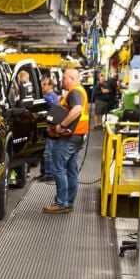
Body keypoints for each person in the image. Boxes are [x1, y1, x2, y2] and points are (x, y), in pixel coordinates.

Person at [43, 68, 90, 214]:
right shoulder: (79, 91)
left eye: (64, 78)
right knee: (71, 169)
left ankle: (61, 203)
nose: (62, 81)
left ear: (72, 78)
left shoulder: (75, 92)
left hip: (69, 136)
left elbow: (76, 110)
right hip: (77, 135)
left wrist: (61, 125)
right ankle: (68, 202)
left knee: (58, 167)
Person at [37, 76, 59, 182]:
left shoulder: (52, 96)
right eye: (42, 84)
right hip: (44, 127)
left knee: (48, 152)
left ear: (51, 86)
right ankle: (43, 172)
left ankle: (49, 174)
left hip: (51, 128)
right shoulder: (47, 96)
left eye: (45, 84)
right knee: (43, 151)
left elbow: (53, 104)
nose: (43, 86)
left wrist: (41, 97)